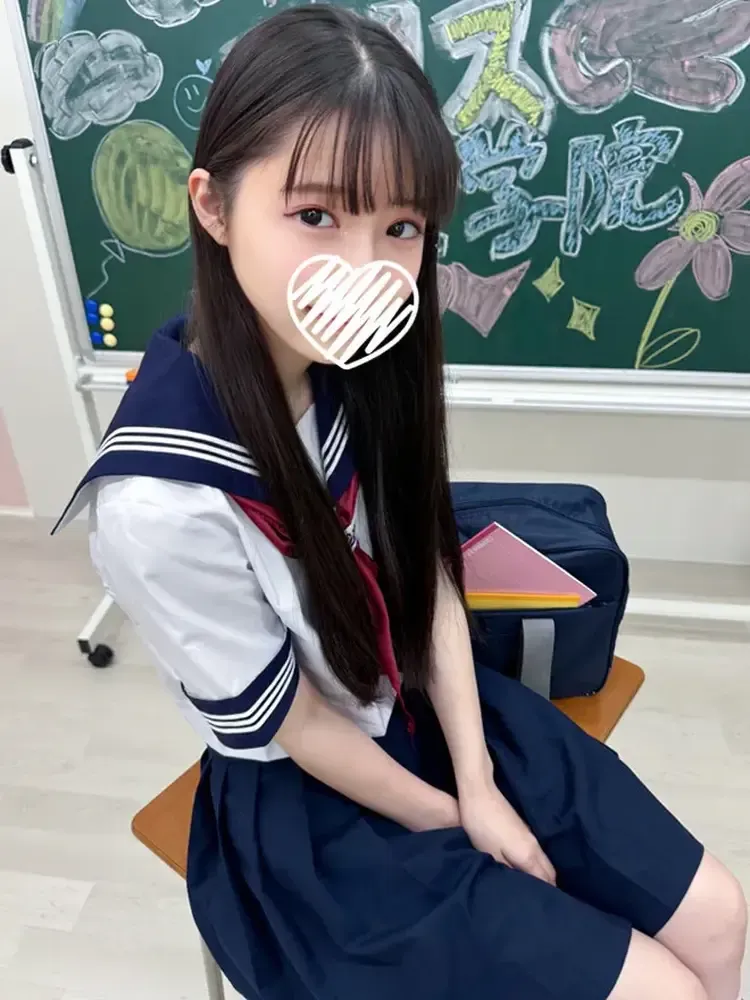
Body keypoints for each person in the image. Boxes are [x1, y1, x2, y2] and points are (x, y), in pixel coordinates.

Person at [54, 6, 746, 999]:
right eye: (315, 215)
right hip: (308, 804)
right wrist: (456, 819)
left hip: (423, 706)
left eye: (402, 227)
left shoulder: (355, 368)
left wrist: (478, 778)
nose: (366, 268)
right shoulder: (157, 501)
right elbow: (297, 724)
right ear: (213, 206)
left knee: (720, 917)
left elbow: (426, 577)